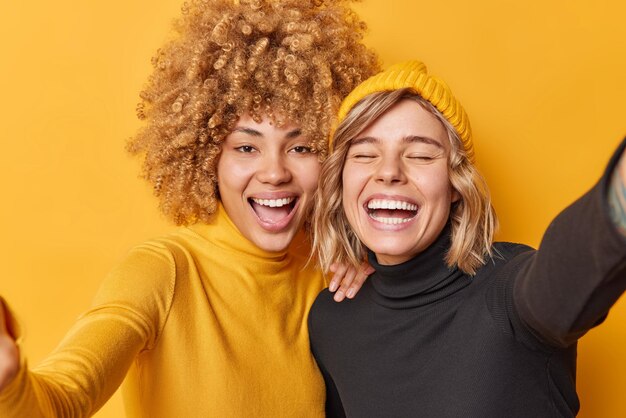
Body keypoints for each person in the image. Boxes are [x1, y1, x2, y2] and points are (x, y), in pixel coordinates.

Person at [0, 0, 379, 416]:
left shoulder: (331, 272)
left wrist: (376, 280)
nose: (274, 173)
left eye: (301, 146)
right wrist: (10, 384)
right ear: (207, 156)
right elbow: (63, 398)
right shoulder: (166, 271)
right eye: (247, 147)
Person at [309, 60, 626, 417]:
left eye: (420, 155)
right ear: (341, 180)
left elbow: (566, 275)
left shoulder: (506, 290)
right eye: (365, 154)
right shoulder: (330, 321)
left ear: (456, 184)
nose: (388, 172)